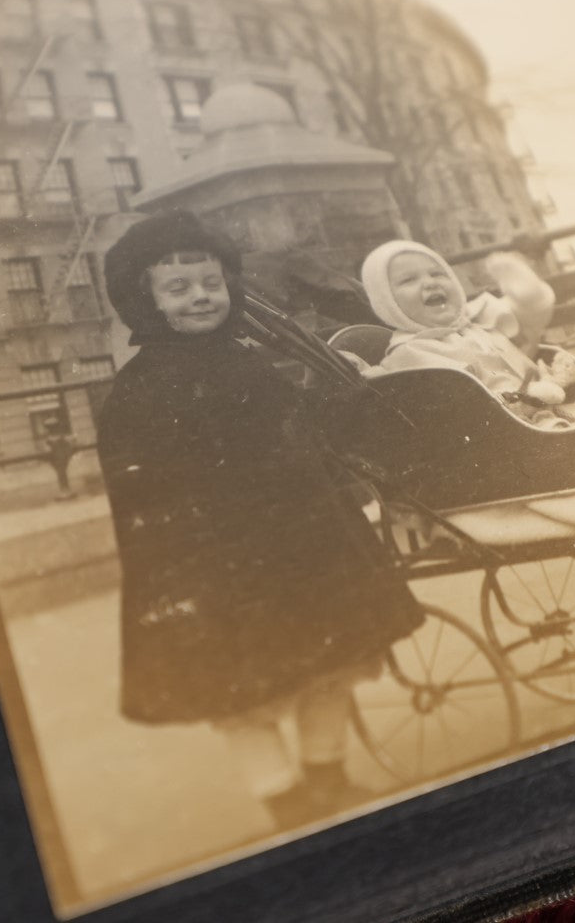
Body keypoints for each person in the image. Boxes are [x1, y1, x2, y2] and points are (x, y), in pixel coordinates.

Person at [96, 211, 424, 829]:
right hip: (223, 568)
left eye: (211, 283)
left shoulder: (247, 361)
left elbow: (300, 437)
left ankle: (329, 776)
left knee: (331, 663)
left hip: (303, 548)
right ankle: (284, 800)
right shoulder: (140, 393)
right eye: (179, 288)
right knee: (246, 692)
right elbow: (144, 497)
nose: (201, 297)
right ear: (147, 300)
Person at [358, 240, 575, 429]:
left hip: (550, 399)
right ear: (386, 301)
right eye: (408, 280)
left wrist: (529, 299)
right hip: (508, 429)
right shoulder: (412, 353)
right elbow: (461, 409)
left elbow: (528, 330)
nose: (430, 282)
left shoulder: (476, 320)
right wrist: (528, 399)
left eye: (438, 273)